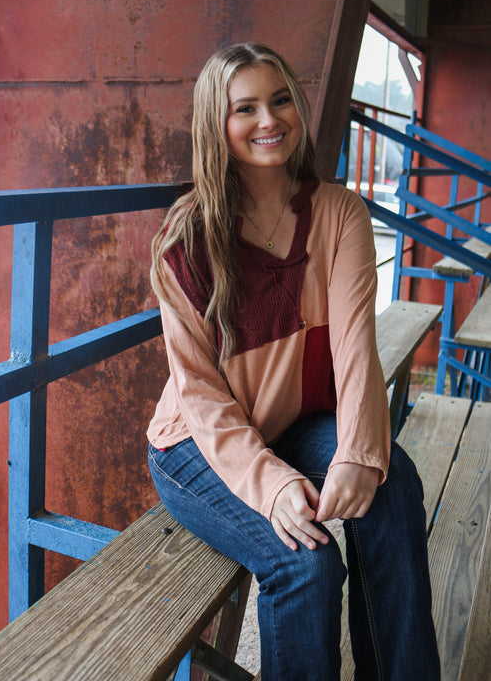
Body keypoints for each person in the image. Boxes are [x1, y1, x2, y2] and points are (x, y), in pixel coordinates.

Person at [147, 42, 440, 681]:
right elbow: (199, 397)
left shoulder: (338, 214)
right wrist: (273, 483)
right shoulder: (186, 241)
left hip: (295, 420)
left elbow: (355, 346)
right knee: (305, 564)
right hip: (199, 444)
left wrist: (362, 455)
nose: (268, 119)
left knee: (394, 485)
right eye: (244, 107)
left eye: (280, 100)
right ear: (214, 125)